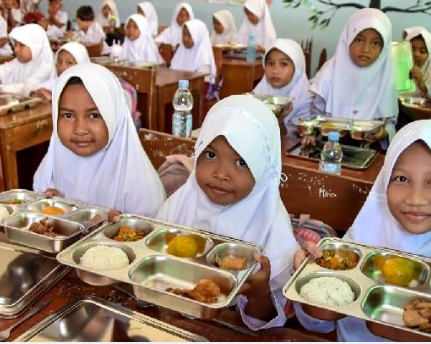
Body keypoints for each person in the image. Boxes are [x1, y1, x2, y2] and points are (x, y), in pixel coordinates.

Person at [294, 120, 431, 341]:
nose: (415, 199)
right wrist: (307, 279)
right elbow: (317, 324)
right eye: (401, 178)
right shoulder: (365, 235)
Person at [156, 95, 299, 330]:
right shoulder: (181, 203)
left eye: (241, 162)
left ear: (263, 169)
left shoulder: (273, 229)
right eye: (211, 155)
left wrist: (259, 292)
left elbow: (268, 325)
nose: (221, 174)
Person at [33, 63, 165, 216]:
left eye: (94, 115)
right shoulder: (49, 169)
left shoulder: (142, 191)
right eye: (68, 115)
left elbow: (145, 231)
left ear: (115, 117)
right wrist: (53, 209)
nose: (80, 130)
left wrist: (118, 230)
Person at [304, 8, 398, 147]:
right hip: (328, 149)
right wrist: (311, 132)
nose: (366, 49)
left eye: (375, 43)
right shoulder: (329, 72)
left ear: (384, 48)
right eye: (359, 40)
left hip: (369, 152)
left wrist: (383, 133)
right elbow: (314, 114)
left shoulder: (386, 79)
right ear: (348, 38)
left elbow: (390, 124)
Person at [253, 38, 312, 136]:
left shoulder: (305, 100)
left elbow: (296, 139)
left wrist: (279, 121)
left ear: (297, 69)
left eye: (283, 64)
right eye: (270, 63)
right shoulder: (259, 91)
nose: (275, 70)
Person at [0, 23, 53, 95]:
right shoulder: (19, 61)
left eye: (22, 45)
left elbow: (26, 88)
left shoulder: (46, 66)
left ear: (36, 47)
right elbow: (2, 69)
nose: (16, 49)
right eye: (15, 45)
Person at [403, 26, 431, 102]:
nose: (416, 54)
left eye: (422, 51)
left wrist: (423, 85)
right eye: (412, 49)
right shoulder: (394, 70)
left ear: (429, 56)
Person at [170, 19, 216, 83]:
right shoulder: (181, 51)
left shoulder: (203, 60)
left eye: (189, 35)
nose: (185, 39)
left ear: (198, 37)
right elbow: (171, 73)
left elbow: (202, 85)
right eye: (184, 34)